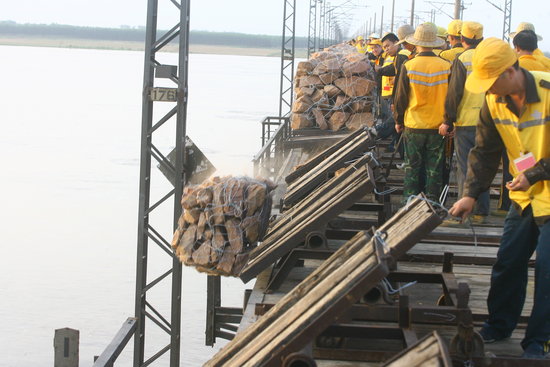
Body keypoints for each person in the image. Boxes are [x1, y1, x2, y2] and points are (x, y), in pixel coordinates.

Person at [449, 37, 550, 359]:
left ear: (511, 71)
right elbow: (485, 151)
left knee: (547, 271)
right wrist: (470, 194)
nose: (487, 89)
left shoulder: (548, 93)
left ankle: (538, 341)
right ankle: (499, 324)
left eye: (491, 82)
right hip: (524, 198)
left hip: (542, 192)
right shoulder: (494, 102)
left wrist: (532, 174)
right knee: (508, 263)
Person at [394, 23, 451, 202]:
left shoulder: (409, 65)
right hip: (438, 127)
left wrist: (398, 120)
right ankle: (433, 205)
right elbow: (452, 98)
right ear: (435, 43)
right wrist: (450, 121)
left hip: (414, 125)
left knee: (412, 168)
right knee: (434, 169)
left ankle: (409, 204)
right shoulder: (447, 65)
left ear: (416, 43)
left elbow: (401, 97)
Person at [441, 21, 490, 225]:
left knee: (464, 167)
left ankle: (463, 212)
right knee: (484, 165)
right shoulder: (489, 57)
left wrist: (448, 120)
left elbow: (455, 92)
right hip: (488, 121)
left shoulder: (462, 59)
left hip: (467, 121)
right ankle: (481, 211)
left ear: (462, 39)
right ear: (480, 38)